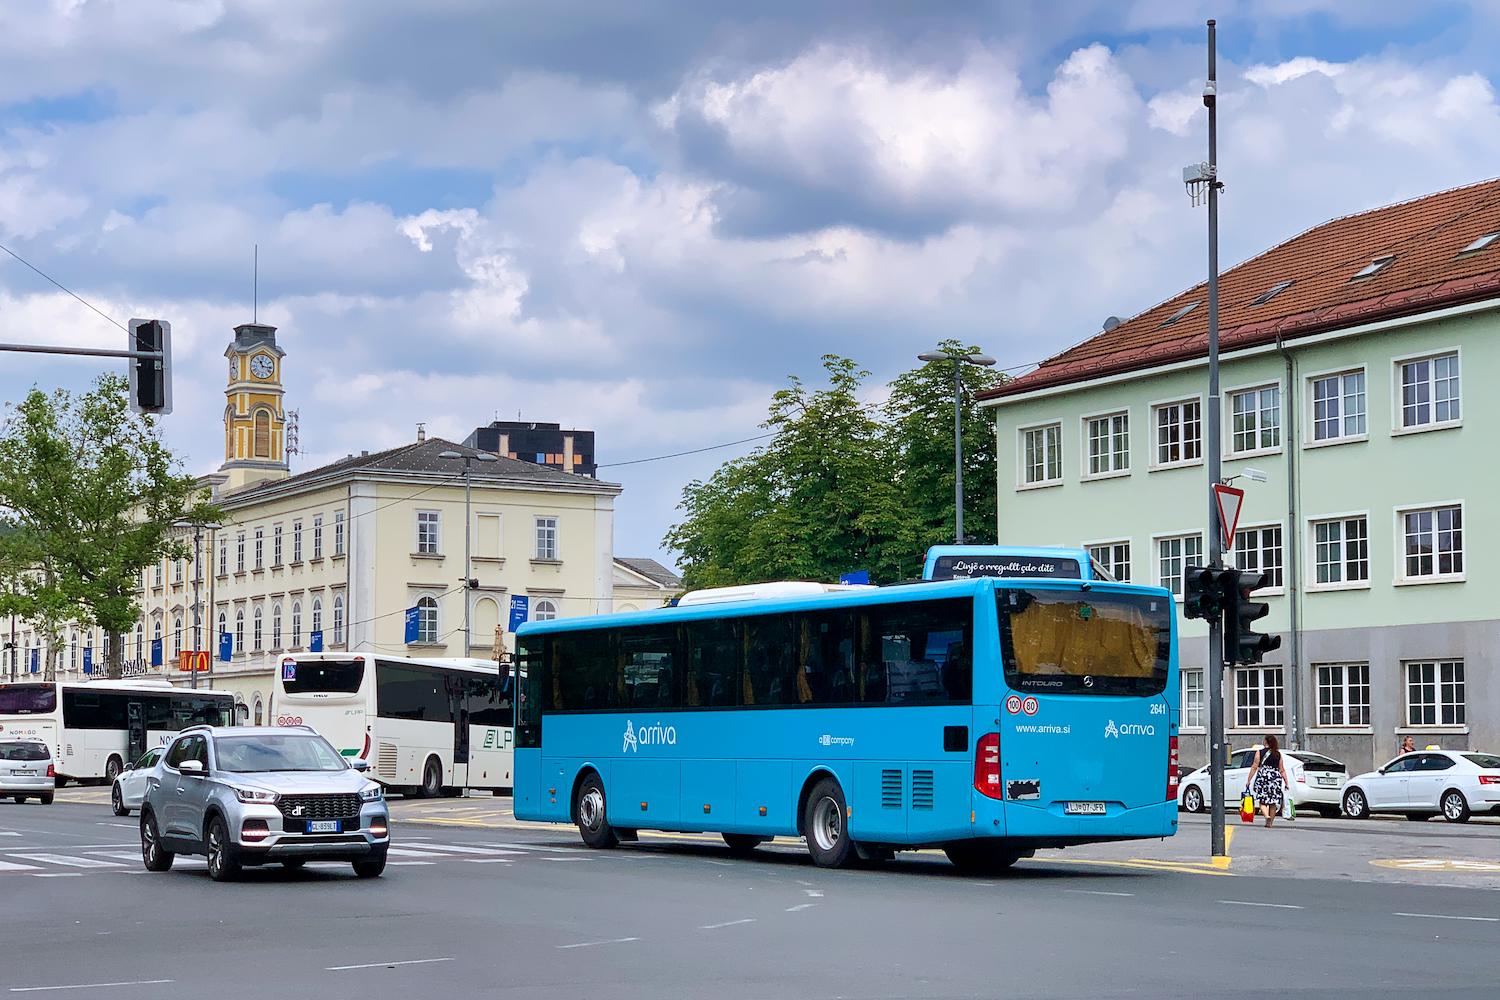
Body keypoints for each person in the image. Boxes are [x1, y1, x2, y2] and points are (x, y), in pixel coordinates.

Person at [1246, 735, 1292, 827]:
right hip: (1275, 778)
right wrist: (1286, 783)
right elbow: (1282, 770)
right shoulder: (1278, 754)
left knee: (1262, 801)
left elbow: (1254, 767)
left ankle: (1267, 816)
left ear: (1265, 742)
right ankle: (1270, 823)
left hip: (1263, 777)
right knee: (1273, 802)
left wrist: (1249, 780)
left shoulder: (1260, 752)